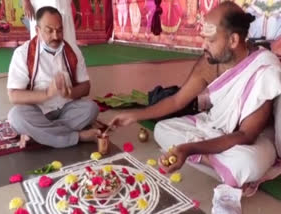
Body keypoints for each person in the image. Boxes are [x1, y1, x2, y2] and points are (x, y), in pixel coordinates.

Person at [110, 1, 281, 188]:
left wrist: (189, 148)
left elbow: (246, 135)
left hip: (249, 140)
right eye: (204, 38)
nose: (204, 45)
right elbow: (177, 100)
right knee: (162, 129)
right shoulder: (210, 62)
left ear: (233, 40)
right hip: (214, 127)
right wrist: (134, 115)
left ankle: (209, 160)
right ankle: (220, 165)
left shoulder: (263, 69)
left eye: (211, 40)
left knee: (249, 162)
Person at [7, 7, 99, 148]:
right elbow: (14, 96)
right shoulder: (22, 54)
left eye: (59, 30)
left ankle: (38, 135)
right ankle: (77, 137)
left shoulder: (73, 51)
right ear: (37, 30)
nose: (56, 36)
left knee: (91, 109)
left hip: (65, 108)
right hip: (37, 110)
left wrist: (71, 93)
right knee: (16, 116)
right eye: (49, 30)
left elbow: (86, 86)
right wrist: (46, 94)